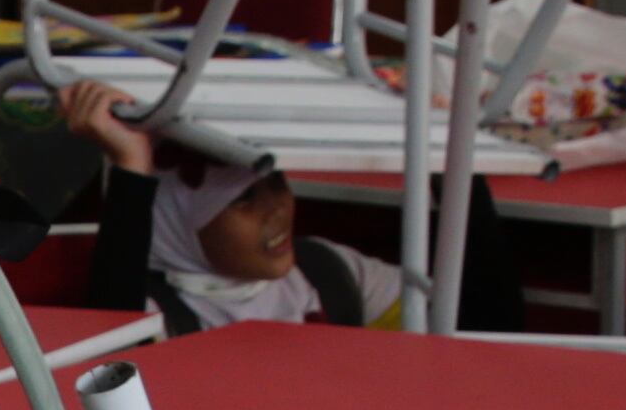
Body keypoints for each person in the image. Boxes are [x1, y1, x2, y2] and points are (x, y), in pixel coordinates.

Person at [61, 82, 425, 332]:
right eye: (244, 200)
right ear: (177, 225)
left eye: (278, 184)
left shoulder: (329, 272)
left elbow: (461, 318)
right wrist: (131, 164)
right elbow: (112, 350)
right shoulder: (157, 314)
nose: (278, 210)